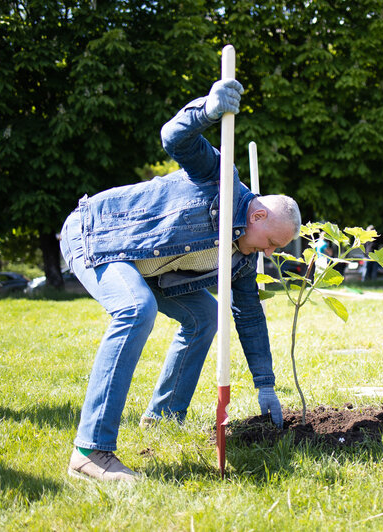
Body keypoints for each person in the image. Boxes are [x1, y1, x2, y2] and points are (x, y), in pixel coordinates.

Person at [61, 76, 301, 481]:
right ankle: (90, 451)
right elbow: (175, 138)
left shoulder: (241, 258)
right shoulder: (219, 179)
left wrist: (266, 384)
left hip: (151, 270)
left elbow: (250, 317)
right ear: (257, 215)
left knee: (206, 316)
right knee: (136, 309)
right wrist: (206, 110)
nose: (270, 254)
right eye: (271, 243)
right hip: (100, 235)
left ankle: (163, 418)